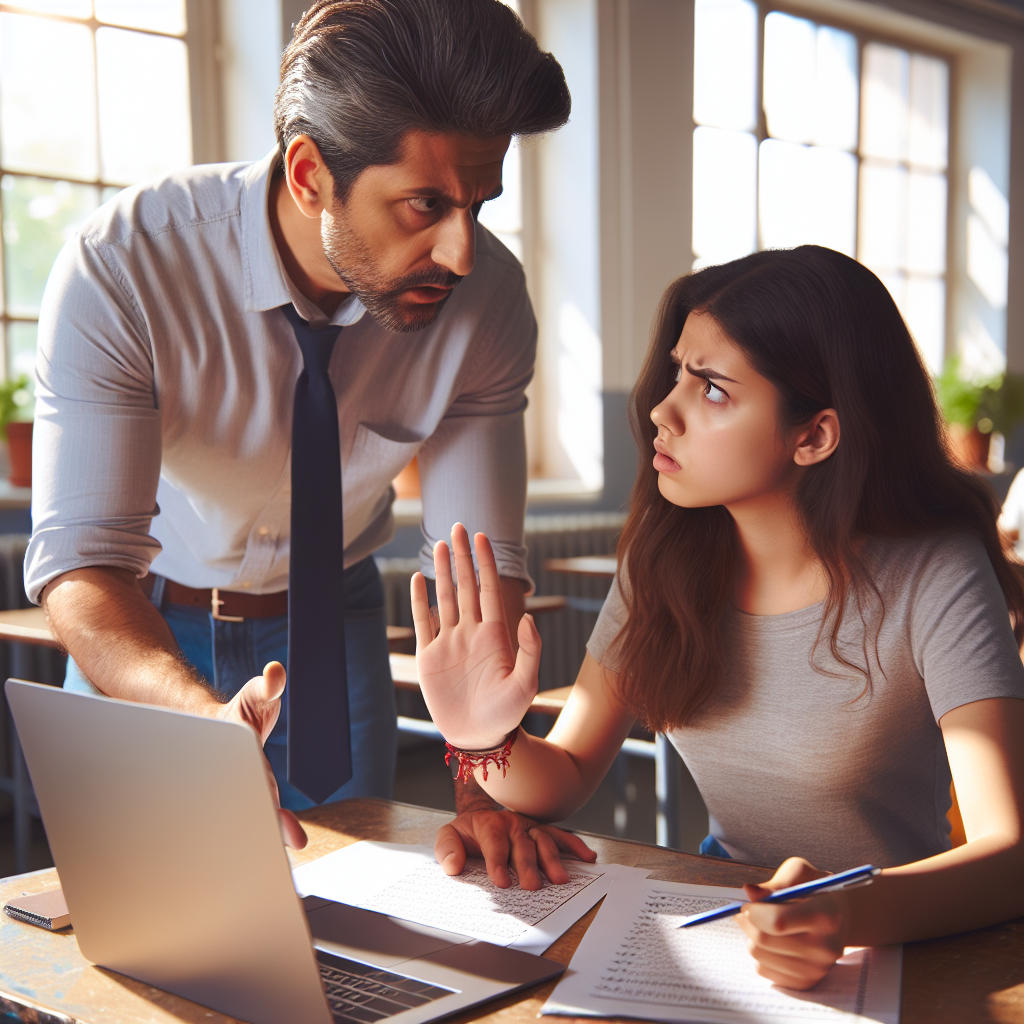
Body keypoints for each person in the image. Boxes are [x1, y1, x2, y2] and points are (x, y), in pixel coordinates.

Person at [25, 0, 585, 850]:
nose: (462, 252)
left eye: (480, 202)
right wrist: (202, 717)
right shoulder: (127, 265)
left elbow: (479, 566)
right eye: (424, 204)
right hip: (143, 627)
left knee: (341, 913)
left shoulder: (488, 300)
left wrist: (481, 778)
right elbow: (83, 564)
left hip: (336, 621)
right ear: (308, 173)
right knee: (126, 919)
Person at [412, 246, 1024, 989]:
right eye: (678, 373)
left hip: (901, 944)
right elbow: (565, 774)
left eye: (712, 391)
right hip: (721, 928)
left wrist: (847, 912)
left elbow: (1009, 853)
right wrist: (483, 738)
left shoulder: (935, 571)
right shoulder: (665, 560)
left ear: (815, 435)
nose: (660, 412)